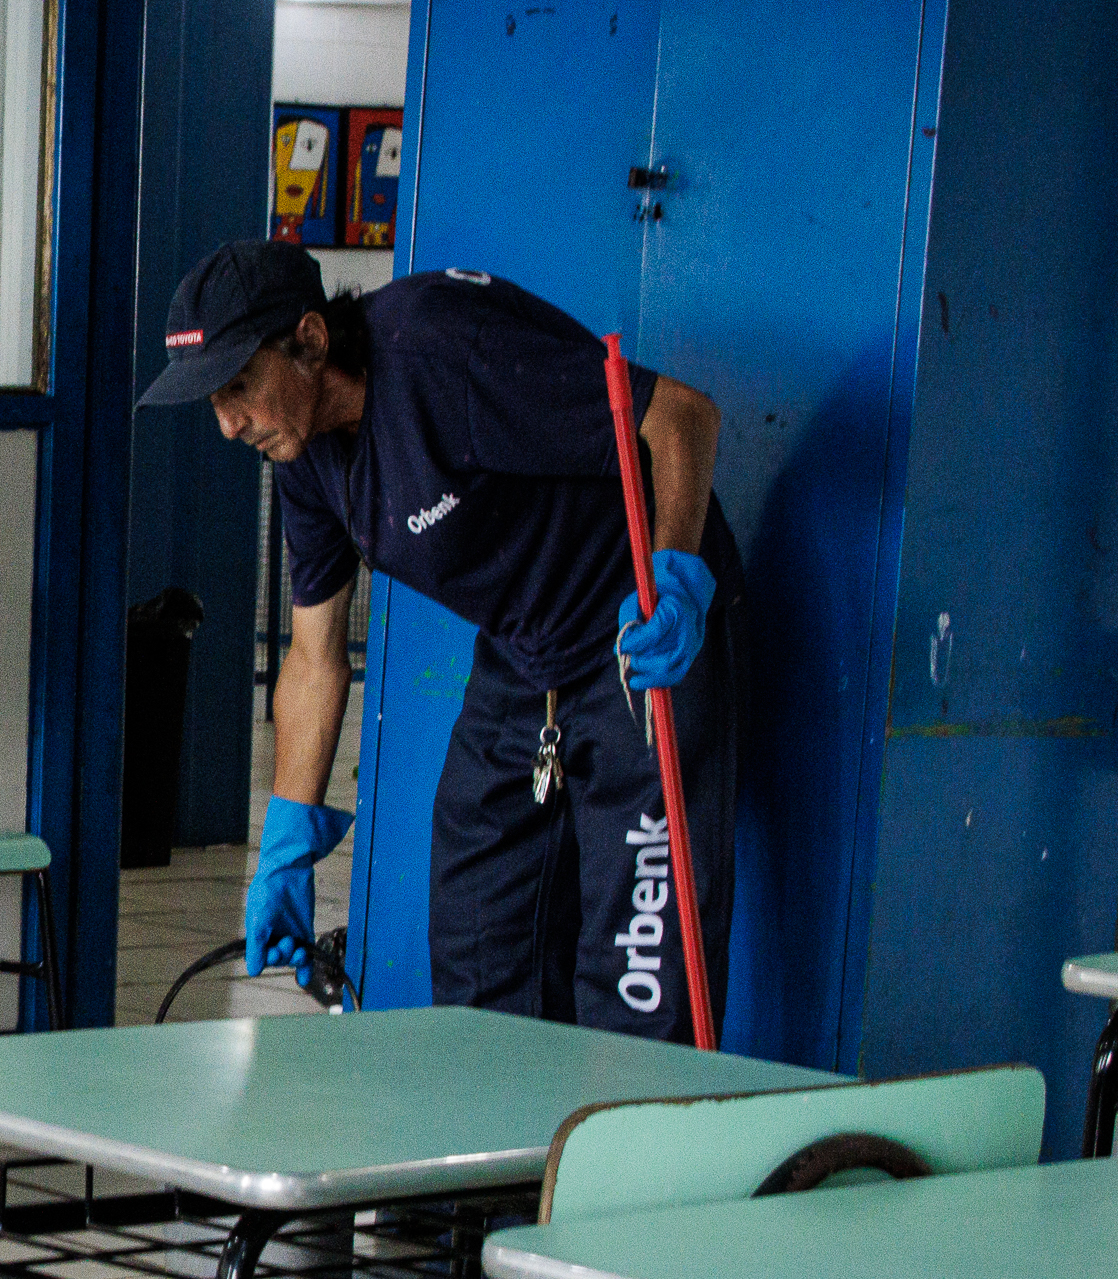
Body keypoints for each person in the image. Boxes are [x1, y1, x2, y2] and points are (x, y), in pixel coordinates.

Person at [141, 241, 739, 1048]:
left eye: (239, 386)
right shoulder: (303, 453)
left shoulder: (442, 352)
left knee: (638, 968)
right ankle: (506, 1167)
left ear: (311, 341)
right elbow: (314, 656)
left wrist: (673, 577)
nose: (226, 423)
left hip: (635, 631)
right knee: (477, 934)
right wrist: (285, 841)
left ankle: (632, 1164)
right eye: (213, 399)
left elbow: (680, 417)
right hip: (525, 650)